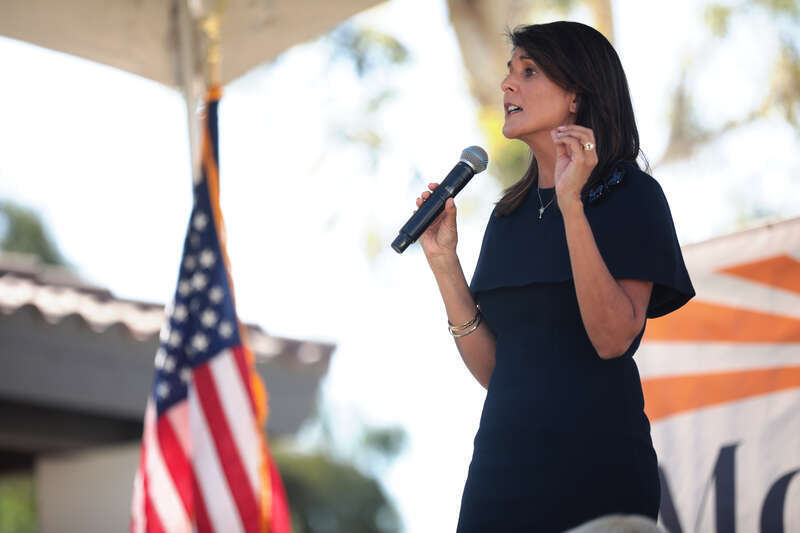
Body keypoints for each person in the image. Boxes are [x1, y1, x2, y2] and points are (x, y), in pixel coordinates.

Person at [413, 21, 696, 532]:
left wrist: (572, 206)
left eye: (529, 71)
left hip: (597, 469)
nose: (507, 84)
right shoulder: (508, 215)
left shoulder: (631, 195)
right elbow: (497, 370)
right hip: (500, 471)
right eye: (509, 71)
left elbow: (612, 338)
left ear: (576, 96)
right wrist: (444, 263)